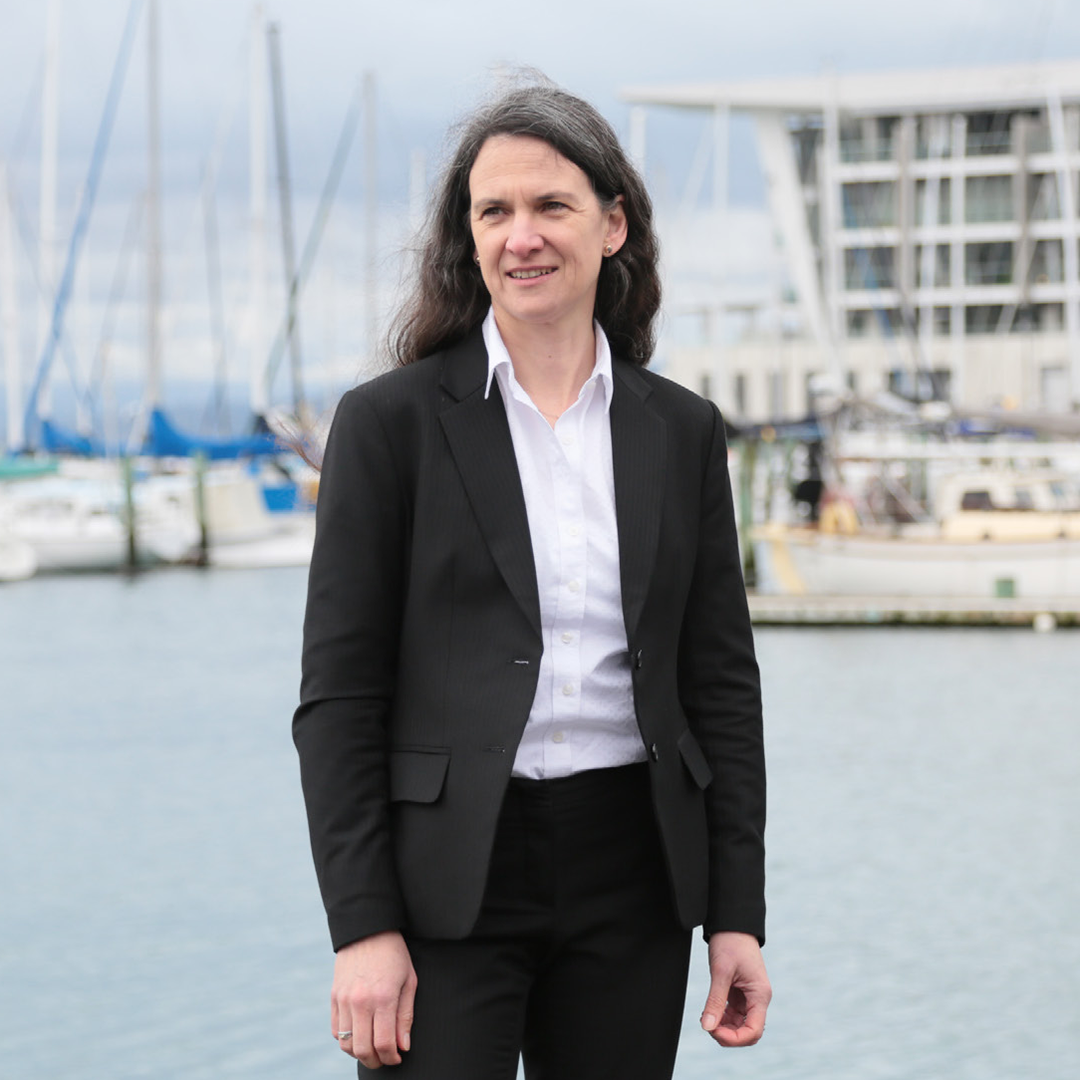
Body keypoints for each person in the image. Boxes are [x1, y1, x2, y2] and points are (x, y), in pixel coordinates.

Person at [293, 79, 770, 1080]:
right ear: (467, 238)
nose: (523, 236)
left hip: (635, 874)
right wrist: (362, 927)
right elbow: (339, 700)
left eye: (551, 206)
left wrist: (737, 917)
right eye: (494, 211)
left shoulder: (680, 432)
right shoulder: (389, 427)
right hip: (444, 880)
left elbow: (720, 688)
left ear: (612, 225)